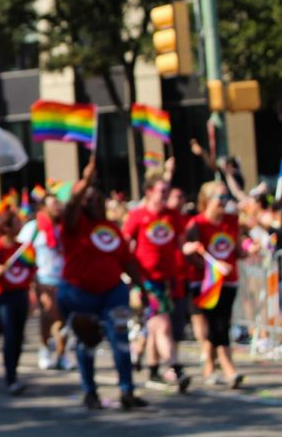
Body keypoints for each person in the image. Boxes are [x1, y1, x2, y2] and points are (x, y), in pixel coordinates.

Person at [58, 156, 149, 410]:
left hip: (112, 293)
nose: (94, 201)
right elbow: (71, 207)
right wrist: (85, 181)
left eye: (97, 197)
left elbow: (127, 261)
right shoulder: (74, 225)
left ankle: (127, 391)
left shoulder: (110, 227)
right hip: (79, 293)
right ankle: (90, 392)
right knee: (87, 343)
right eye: (88, 197)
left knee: (120, 340)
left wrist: (141, 286)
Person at [122, 172, 192, 392]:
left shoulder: (172, 216)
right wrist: (127, 271)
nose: (165, 194)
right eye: (161, 190)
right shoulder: (137, 215)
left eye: (167, 190)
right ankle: (175, 367)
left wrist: (196, 250)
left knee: (154, 327)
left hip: (169, 279)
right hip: (147, 279)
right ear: (149, 192)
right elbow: (124, 244)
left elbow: (182, 245)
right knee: (162, 324)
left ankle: (152, 371)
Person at [182, 181, 244, 388]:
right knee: (213, 326)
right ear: (207, 200)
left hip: (228, 281)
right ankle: (224, 367)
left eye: (227, 198)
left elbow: (237, 250)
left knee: (222, 323)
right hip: (205, 282)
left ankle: (215, 367)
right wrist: (212, 266)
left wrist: (248, 252)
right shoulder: (197, 224)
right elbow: (190, 254)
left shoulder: (232, 221)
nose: (225, 202)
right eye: (221, 198)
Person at [0, 206, 33, 395]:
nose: (20, 225)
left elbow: (31, 271)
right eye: (17, 223)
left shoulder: (23, 248)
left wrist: (35, 295)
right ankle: (10, 377)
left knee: (19, 337)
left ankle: (14, 372)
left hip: (21, 294)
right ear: (7, 227)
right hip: (4, 296)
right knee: (10, 336)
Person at [18, 194, 69, 370]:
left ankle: (61, 355)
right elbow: (22, 255)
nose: (57, 207)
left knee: (63, 317)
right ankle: (45, 348)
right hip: (42, 279)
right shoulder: (33, 228)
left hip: (64, 278)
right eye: (53, 204)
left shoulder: (65, 227)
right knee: (49, 314)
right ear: (43, 208)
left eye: (58, 203)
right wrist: (30, 281)